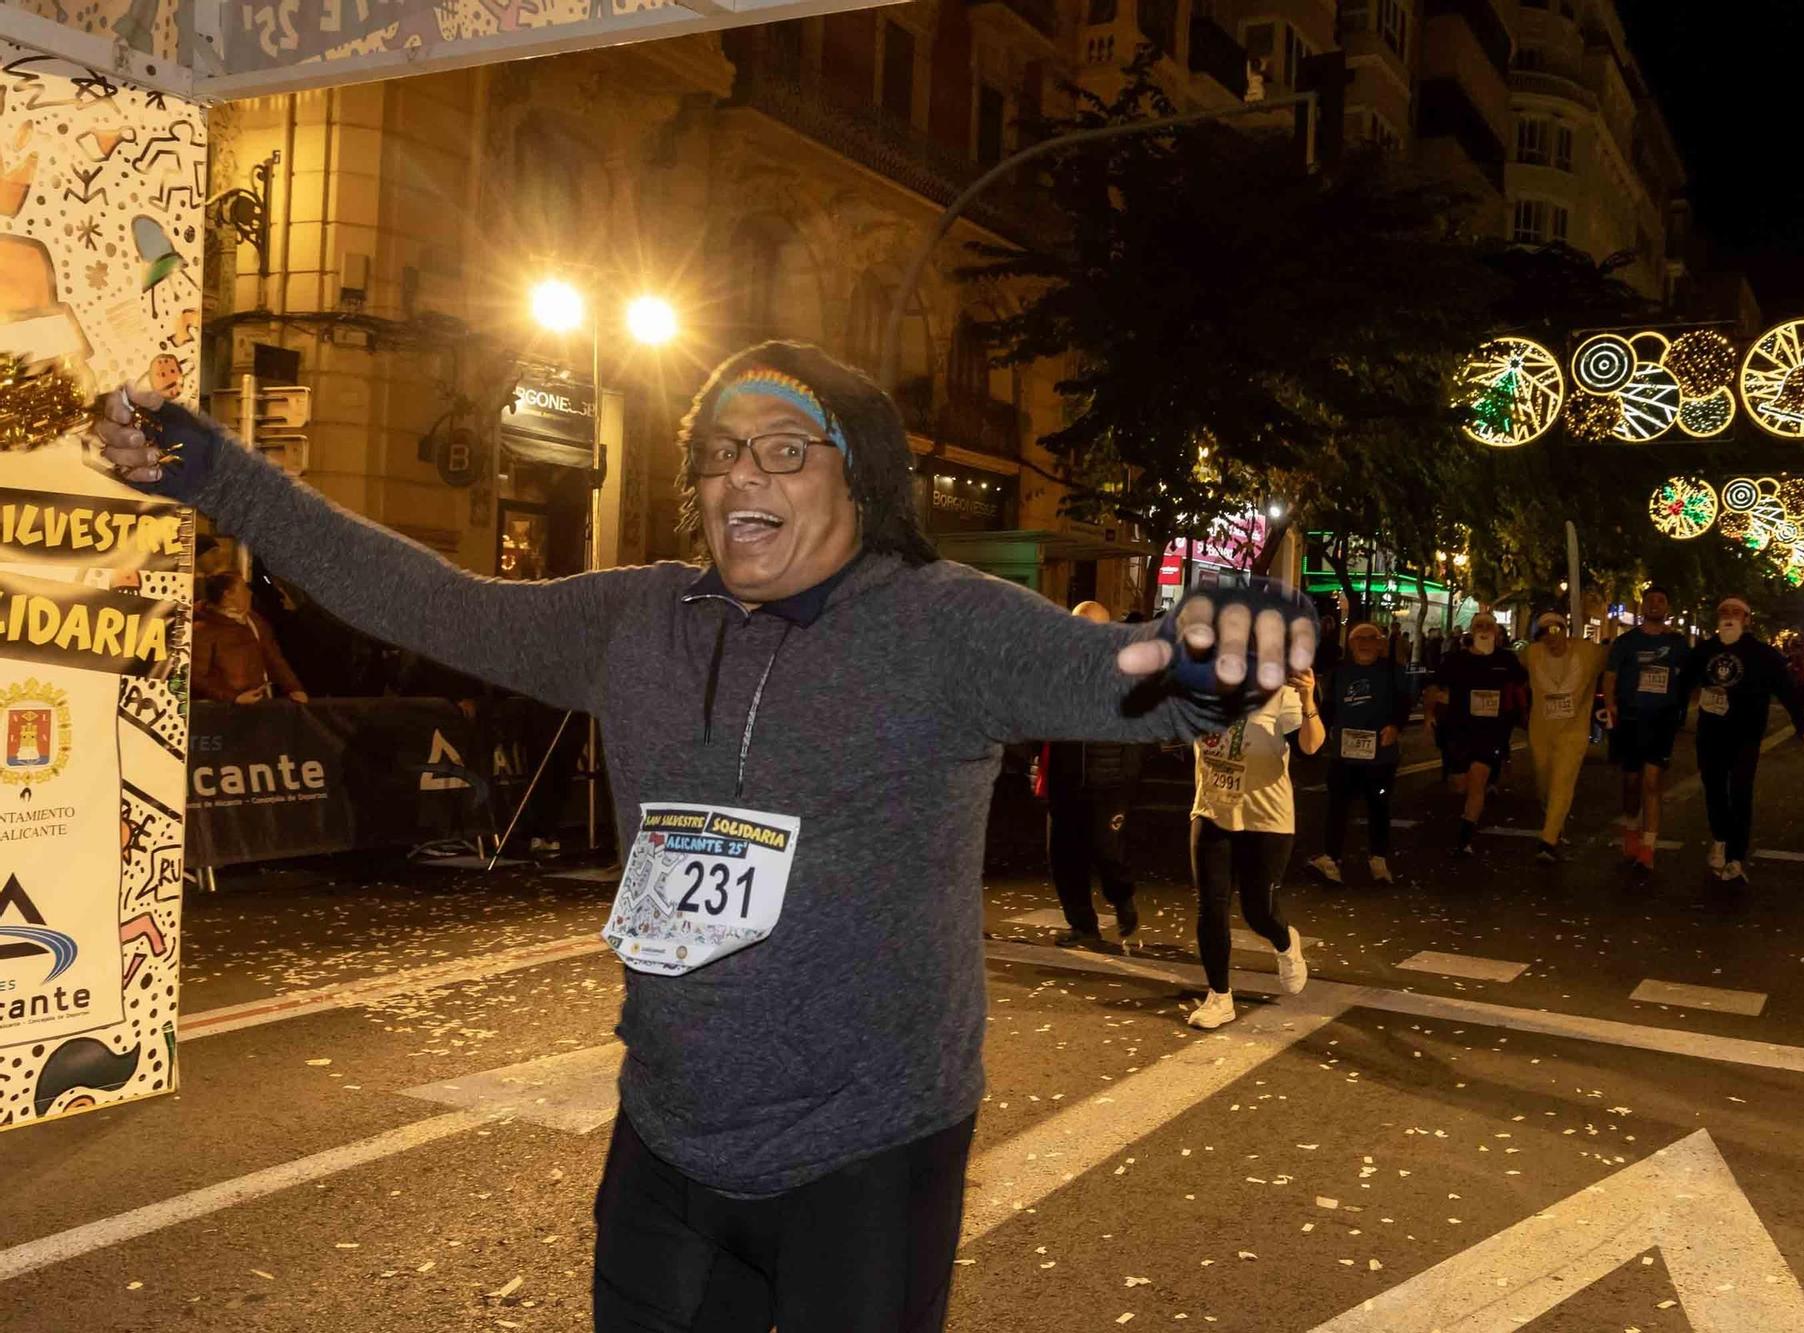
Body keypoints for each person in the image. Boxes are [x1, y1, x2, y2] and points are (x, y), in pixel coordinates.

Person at [95, 343, 1319, 1333]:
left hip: (869, 1148)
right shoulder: (635, 620)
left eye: (786, 451)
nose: (745, 478)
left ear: (862, 483)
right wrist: (219, 476)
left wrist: (1210, 660)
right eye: (720, 454)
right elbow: (428, 600)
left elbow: (1118, 673)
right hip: (669, 1136)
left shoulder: (943, 626)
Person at [1187, 660, 1323, 1029]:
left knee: (1258, 911)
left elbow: (1310, 745)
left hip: (1266, 818)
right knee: (1210, 907)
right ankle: (1219, 997)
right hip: (1212, 810)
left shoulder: (1279, 688)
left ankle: (1285, 941)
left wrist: (1308, 698)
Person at [1682, 597, 1804, 883]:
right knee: (1714, 790)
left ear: (1747, 620)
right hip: (1710, 734)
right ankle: (1720, 838)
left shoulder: (1763, 654)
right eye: (1724, 613)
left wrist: (1803, 727)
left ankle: (1736, 856)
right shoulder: (1705, 651)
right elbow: (1681, 685)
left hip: (1746, 735)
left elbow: (1786, 690)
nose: (1729, 617)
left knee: (1741, 792)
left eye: (1736, 613)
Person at [1042, 600, 1145, 949]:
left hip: (1111, 780)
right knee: (1064, 855)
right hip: (1066, 780)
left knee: (1107, 850)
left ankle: (1122, 898)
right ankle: (1083, 924)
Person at [1600, 586, 1692, 873]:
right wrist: (1612, 707)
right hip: (1629, 718)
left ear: (1667, 608)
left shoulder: (1678, 644)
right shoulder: (1626, 642)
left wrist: (1683, 708)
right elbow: (1610, 676)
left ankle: (1648, 847)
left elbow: (1690, 679)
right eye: (1650, 600)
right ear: (1642, 607)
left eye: (1661, 600)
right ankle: (1630, 830)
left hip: (1661, 719)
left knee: (1652, 782)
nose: (1655, 604)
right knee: (1630, 781)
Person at [1307, 621, 1407, 886]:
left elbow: (1403, 703)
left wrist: (1395, 726)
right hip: (1344, 753)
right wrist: (1321, 731)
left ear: (1380, 643)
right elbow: (1328, 706)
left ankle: (1378, 859)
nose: (1364, 643)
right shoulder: (1339, 672)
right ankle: (1331, 858)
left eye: (1370, 638)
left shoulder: (1392, 671)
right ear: (1350, 645)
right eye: (1358, 639)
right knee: (1337, 806)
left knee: (1379, 806)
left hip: (1380, 755)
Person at [1429, 609, 1527, 857]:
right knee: (1459, 784)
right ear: (1471, 632)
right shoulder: (1455, 660)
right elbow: (1434, 686)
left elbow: (1525, 682)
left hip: (1490, 732)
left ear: (1496, 632)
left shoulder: (1506, 660)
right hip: (1458, 729)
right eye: (1479, 625)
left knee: (1478, 780)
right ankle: (1464, 820)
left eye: (1488, 626)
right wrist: (1431, 712)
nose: (1484, 629)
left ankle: (1465, 838)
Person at [1522, 609, 1608, 863]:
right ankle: (1554, 818)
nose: (1550, 637)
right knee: (1545, 781)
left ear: (1565, 630)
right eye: (1544, 632)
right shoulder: (1532, 654)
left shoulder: (1587, 652)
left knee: (1562, 782)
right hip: (1541, 732)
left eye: (1555, 630)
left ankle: (1548, 840)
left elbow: (1616, 656)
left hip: (1573, 732)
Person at [191, 570, 308, 705]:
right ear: (228, 594)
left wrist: (294, 688)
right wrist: (234, 698)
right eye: (243, 588)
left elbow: (274, 658)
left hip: (257, 706)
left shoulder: (254, 621)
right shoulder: (203, 630)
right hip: (222, 712)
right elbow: (196, 677)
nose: (249, 592)